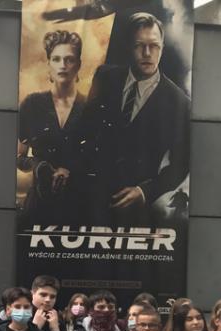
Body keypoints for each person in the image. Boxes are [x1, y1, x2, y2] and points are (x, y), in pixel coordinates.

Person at [76, 12, 189, 220]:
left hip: (134, 208)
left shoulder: (179, 102)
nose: (147, 53)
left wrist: (145, 191)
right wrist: (66, 165)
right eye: (139, 45)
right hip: (87, 195)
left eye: (154, 46)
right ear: (129, 46)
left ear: (162, 47)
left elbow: (181, 163)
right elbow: (82, 128)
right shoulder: (105, 77)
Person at [17, 30, 85, 221]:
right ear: (49, 64)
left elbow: (100, 160)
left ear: (78, 65)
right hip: (39, 201)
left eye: (69, 59)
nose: (63, 65)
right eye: (56, 59)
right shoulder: (32, 104)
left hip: (80, 204)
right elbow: (18, 156)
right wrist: (40, 166)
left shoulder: (91, 108)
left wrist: (71, 171)